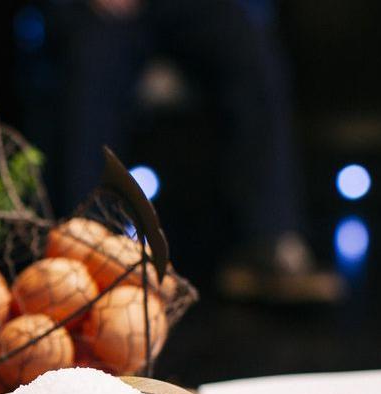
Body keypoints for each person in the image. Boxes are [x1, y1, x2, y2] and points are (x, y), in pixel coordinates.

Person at [52, 0, 343, 302]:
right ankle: (82, 253)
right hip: (104, 12)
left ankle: (268, 242)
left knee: (249, 49)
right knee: (90, 69)